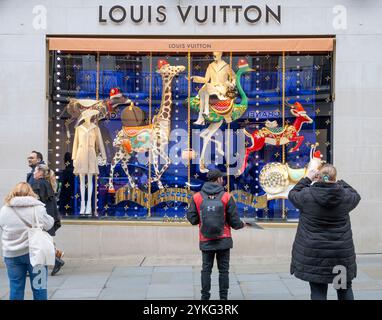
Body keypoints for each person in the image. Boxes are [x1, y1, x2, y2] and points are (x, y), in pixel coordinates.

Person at [288, 164, 361, 300]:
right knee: (343, 289)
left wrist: (307, 179)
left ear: (319, 177)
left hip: (315, 255)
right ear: (334, 178)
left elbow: (292, 194)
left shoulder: (306, 195)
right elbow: (356, 195)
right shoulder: (345, 196)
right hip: (340, 254)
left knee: (318, 292)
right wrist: (340, 182)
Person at [187, 169, 245, 300]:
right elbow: (235, 223)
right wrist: (243, 224)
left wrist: (203, 220)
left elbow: (192, 219)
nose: (223, 180)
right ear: (218, 180)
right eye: (221, 178)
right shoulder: (227, 196)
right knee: (223, 271)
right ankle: (223, 298)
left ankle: (205, 297)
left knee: (206, 270)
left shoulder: (197, 197)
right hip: (224, 240)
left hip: (205, 239)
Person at [0, 182, 54, 300]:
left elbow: (3, 227)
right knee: (39, 288)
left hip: (12, 255)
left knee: (15, 288)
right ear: (30, 192)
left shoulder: (4, 210)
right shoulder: (38, 208)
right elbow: (49, 224)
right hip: (37, 254)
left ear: (14, 192)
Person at [31, 164, 65, 276]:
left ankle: (55, 260)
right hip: (48, 217)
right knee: (42, 241)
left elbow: (35, 202)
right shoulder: (46, 183)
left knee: (38, 242)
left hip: (42, 218)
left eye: (35, 171)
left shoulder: (39, 184)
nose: (34, 173)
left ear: (41, 172)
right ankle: (55, 258)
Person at [189, 52, 236, 125]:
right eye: (213, 54)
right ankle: (202, 116)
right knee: (204, 91)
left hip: (221, 89)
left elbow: (234, 77)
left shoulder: (226, 66)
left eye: (216, 54)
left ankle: (204, 114)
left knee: (205, 88)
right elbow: (206, 79)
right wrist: (194, 78)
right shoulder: (210, 66)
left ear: (220, 54)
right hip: (211, 88)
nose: (214, 56)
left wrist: (232, 84)